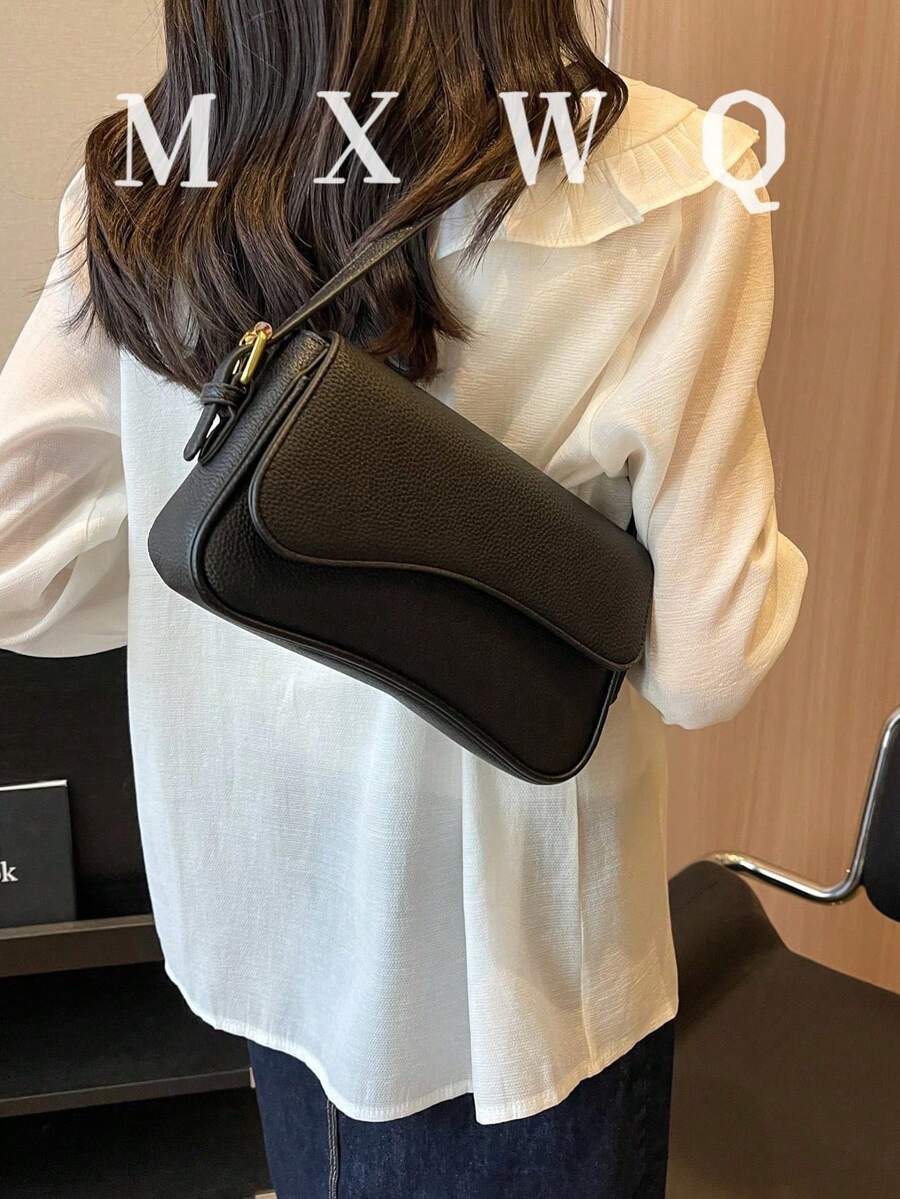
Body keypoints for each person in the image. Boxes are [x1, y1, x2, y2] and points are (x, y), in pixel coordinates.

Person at [0, 2, 808, 1195]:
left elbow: (18, 560)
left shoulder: (146, 179)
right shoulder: (677, 178)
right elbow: (708, 662)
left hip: (261, 905)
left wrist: (258, 580)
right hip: (512, 973)